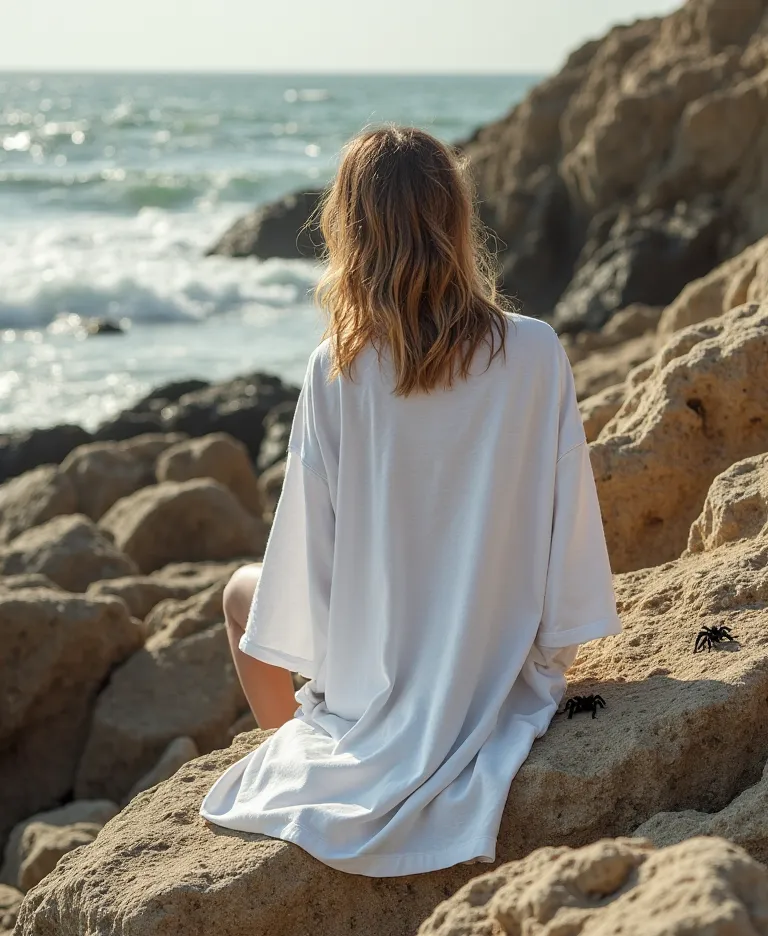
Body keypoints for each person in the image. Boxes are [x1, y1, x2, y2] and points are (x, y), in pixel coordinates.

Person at [199, 125, 622, 877]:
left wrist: (359, 681)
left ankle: (300, 750)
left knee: (240, 595)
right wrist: (537, 663)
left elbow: (305, 563)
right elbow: (571, 541)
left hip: (372, 678)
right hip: (499, 667)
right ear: (457, 220)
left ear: (349, 230)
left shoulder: (335, 366)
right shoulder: (533, 350)